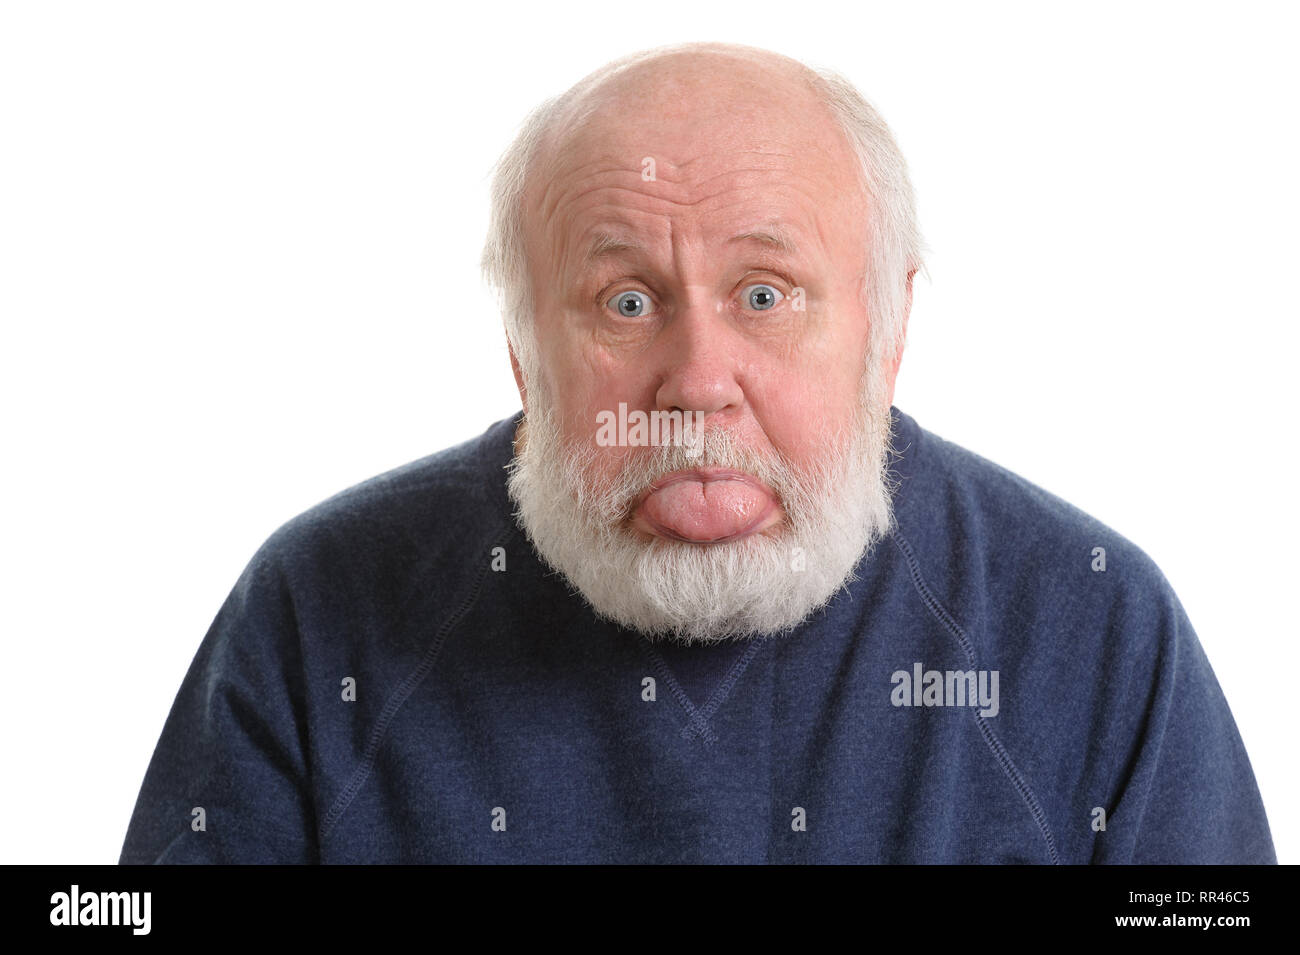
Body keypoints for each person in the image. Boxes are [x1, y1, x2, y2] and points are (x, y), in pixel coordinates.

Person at [119, 42, 1275, 864]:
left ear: (888, 332)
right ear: (523, 352)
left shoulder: (1094, 626)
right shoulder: (317, 611)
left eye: (766, 293)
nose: (698, 382)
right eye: (624, 302)